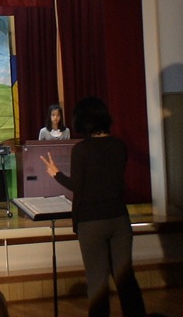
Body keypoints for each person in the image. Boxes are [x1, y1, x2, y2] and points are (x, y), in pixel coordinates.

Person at [40, 96, 146, 317]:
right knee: (126, 279)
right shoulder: (120, 146)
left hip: (91, 222)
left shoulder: (81, 150)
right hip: (119, 219)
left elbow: (78, 186)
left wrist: (56, 173)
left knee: (97, 281)